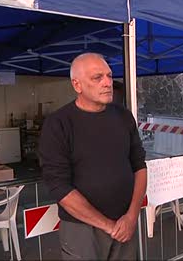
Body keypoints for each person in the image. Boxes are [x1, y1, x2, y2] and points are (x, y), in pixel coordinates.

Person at [38, 53, 147, 260]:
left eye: (109, 76)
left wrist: (131, 217)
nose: (107, 83)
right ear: (77, 85)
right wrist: (109, 226)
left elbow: (139, 166)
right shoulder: (58, 124)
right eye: (97, 78)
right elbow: (59, 187)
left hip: (126, 223)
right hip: (83, 230)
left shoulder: (123, 116)